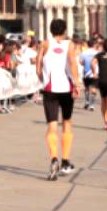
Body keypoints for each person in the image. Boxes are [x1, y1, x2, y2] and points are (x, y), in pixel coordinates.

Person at [35, 19, 81, 181]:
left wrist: (43, 80)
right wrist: (76, 83)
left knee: (52, 125)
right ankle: (66, 160)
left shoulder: (45, 44)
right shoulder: (70, 44)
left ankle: (54, 158)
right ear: (65, 30)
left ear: (51, 30)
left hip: (50, 89)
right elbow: (72, 63)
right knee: (67, 123)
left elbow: (38, 66)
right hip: (66, 89)